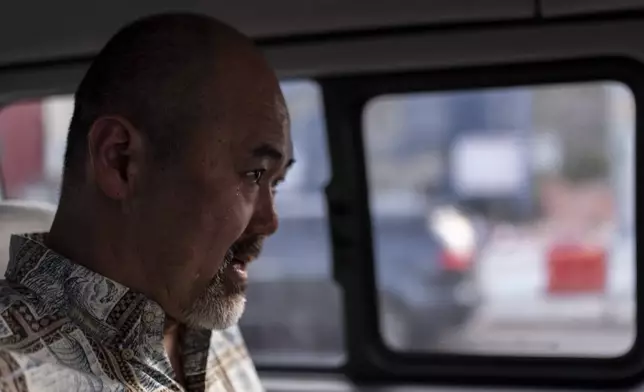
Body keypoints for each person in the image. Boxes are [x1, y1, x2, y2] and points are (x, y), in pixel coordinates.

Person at [0, 12, 293, 392]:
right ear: (120, 160)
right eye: (253, 174)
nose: (270, 221)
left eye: (277, 182)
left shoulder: (203, 315)